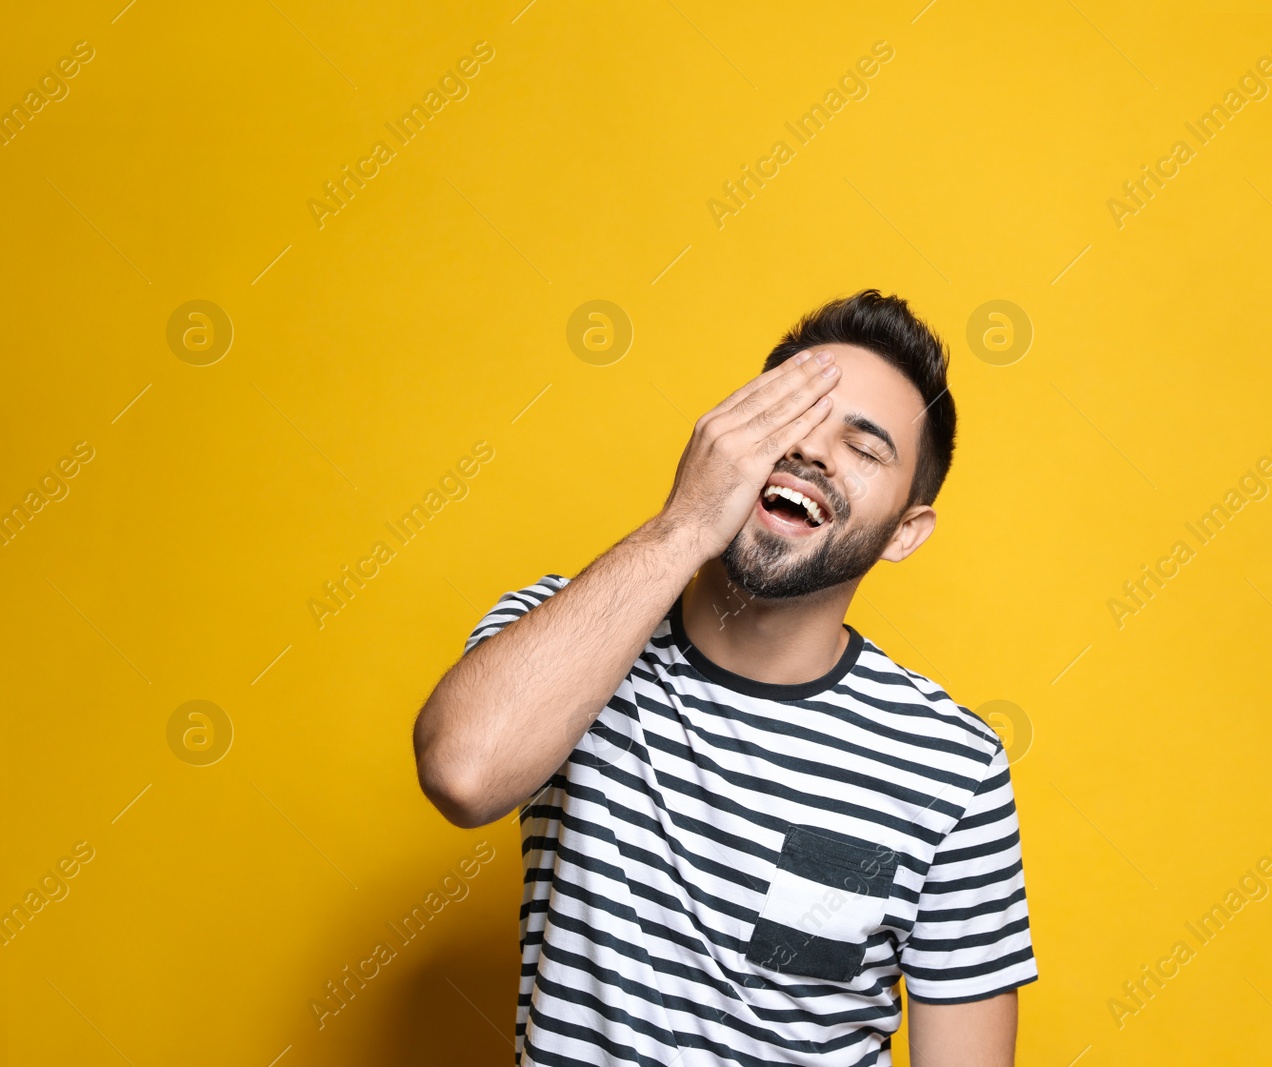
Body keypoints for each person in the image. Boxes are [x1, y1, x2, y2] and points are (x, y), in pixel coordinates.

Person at [412, 289, 1037, 1066]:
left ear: (904, 533)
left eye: (866, 447)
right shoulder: (563, 632)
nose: (812, 451)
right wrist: (686, 521)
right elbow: (462, 773)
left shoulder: (952, 766)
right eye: (788, 418)